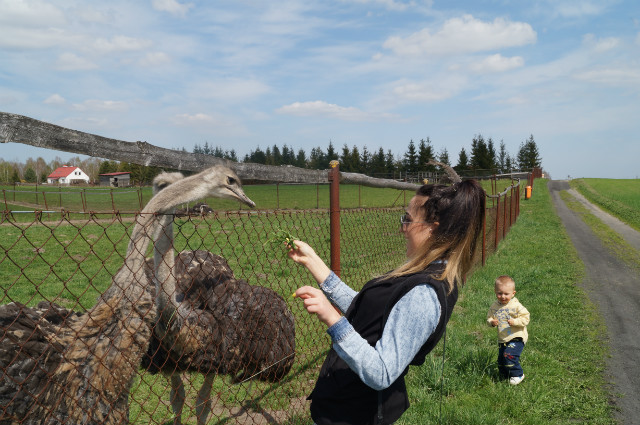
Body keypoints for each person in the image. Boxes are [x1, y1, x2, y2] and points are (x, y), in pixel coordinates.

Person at [287, 180, 486, 425]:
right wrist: (314, 263)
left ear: (432, 229)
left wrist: (332, 318)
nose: (403, 228)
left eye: (408, 219)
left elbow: (382, 372)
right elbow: (370, 313)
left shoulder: (423, 293)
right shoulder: (425, 272)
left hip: (356, 414)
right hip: (350, 404)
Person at [486, 275, 530, 385]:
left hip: (516, 336)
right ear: (495, 292)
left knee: (509, 355)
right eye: (499, 293)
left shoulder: (516, 306)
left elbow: (526, 317)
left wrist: (515, 322)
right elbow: (489, 317)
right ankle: (504, 375)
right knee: (501, 360)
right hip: (503, 338)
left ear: (513, 293)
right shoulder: (494, 306)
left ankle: (518, 374)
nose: (503, 296)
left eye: (506, 294)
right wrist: (492, 322)